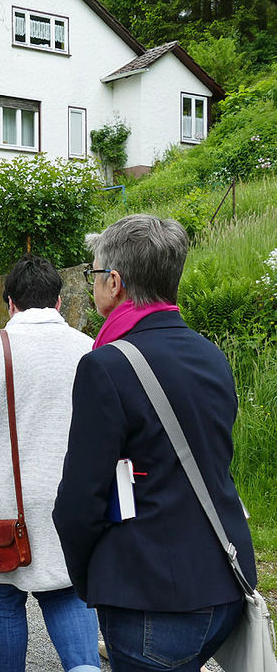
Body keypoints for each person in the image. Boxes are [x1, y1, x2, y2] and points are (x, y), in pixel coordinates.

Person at [53, 215, 256, 672]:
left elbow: (79, 500)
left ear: (116, 282)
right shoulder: (211, 353)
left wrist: (91, 580)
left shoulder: (106, 365)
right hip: (225, 579)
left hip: (151, 596)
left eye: (94, 274)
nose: (93, 284)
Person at [0, 254, 99, 672]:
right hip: (69, 495)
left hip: (3, 500)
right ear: (59, 302)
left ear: (9, 302)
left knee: (1, 596)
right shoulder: (88, 348)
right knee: (67, 590)